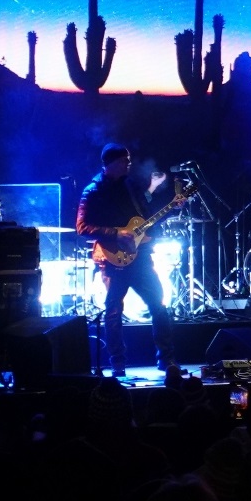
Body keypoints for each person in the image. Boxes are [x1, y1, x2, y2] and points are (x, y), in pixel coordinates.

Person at [77, 143, 183, 376]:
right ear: (112, 163)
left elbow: (147, 218)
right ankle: (117, 364)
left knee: (158, 305)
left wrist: (173, 208)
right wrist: (115, 233)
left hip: (141, 257)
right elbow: (82, 226)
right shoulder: (93, 190)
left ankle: (167, 360)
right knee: (113, 311)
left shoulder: (131, 186)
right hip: (112, 259)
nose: (129, 164)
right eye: (124, 160)